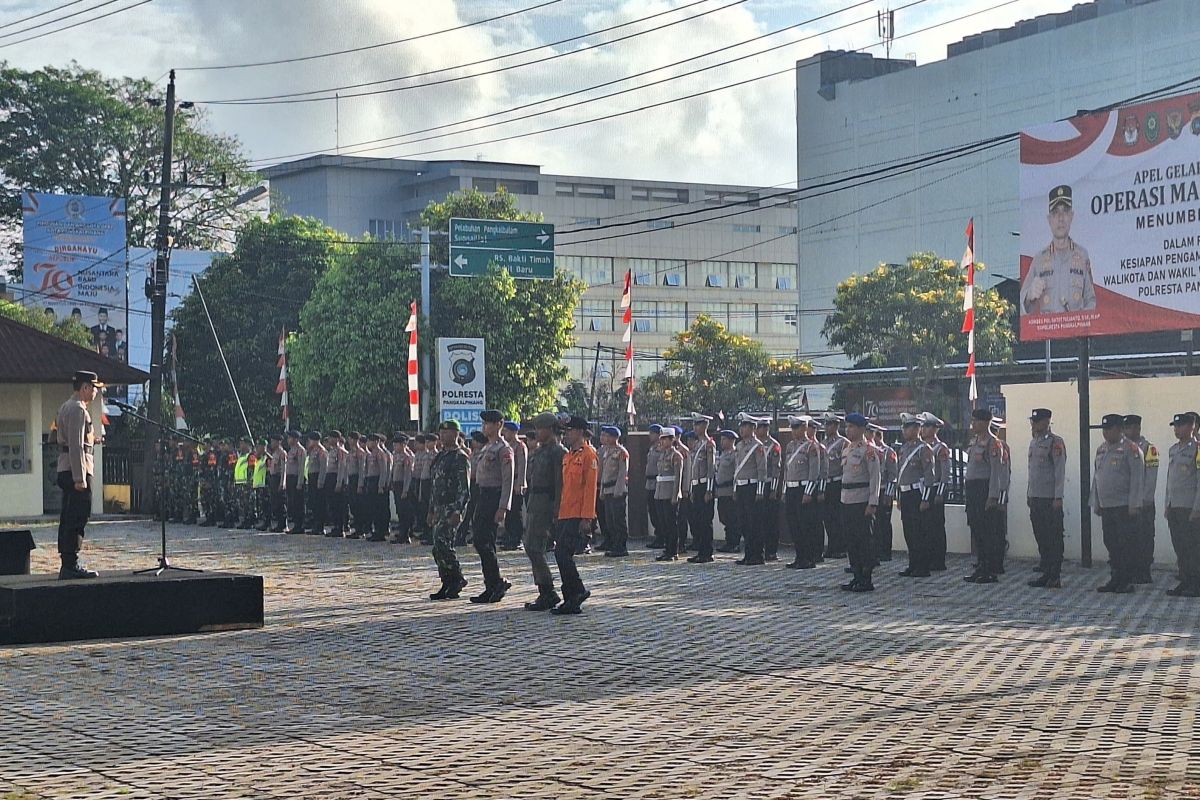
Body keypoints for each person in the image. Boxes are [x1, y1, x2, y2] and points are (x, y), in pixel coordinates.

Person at [54, 370, 102, 579]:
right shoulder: (77, 409)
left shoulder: (66, 406)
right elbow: (75, 446)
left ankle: (67, 562)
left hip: (68, 467)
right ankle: (70, 564)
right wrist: (79, 478)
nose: (95, 393)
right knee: (78, 515)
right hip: (76, 469)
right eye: (93, 388)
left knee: (69, 514)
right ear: (84, 387)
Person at [1021, 184, 1097, 315]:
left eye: (1065, 211)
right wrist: (1028, 296)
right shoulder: (1039, 259)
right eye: (1056, 213)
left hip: (1076, 333)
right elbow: (1022, 309)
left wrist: (1080, 324)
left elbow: (1091, 301)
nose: (1061, 218)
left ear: (1072, 216)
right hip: (1047, 333)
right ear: (1049, 219)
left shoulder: (1082, 255)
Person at [1092, 413, 1145, 593]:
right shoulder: (1101, 449)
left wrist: (1135, 504)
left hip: (1124, 506)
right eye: (1104, 429)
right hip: (1107, 506)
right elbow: (1097, 478)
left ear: (1120, 429)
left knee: (1125, 544)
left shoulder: (1131, 449)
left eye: (1110, 429)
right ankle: (1115, 578)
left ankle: (1126, 580)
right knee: (1111, 543)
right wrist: (1096, 501)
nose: (1106, 433)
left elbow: (1138, 479)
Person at [552, 415, 599, 615]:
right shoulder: (569, 455)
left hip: (578, 514)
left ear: (580, 432)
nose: (566, 435)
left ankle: (576, 591)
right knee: (561, 554)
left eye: (569, 431)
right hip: (566, 512)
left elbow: (590, 489)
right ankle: (572, 597)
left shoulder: (588, 455)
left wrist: (587, 518)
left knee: (562, 553)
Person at [523, 413, 567, 610]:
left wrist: (557, 507)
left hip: (547, 503)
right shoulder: (539, 452)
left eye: (540, 428)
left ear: (550, 429)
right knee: (531, 546)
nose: (537, 432)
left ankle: (548, 591)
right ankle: (544, 589)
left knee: (535, 547)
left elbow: (560, 483)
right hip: (535, 501)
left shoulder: (558, 452)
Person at [470, 409, 515, 603]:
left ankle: (496, 583)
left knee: (484, 540)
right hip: (482, 495)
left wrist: (503, 507)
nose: (485, 426)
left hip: (494, 497)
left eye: (489, 423)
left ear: (499, 424)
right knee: (480, 540)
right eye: (484, 423)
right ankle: (492, 584)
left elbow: (508, 480)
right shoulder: (487, 447)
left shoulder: (504, 449)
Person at [427, 420, 471, 600]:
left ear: (456, 434)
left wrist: (458, 511)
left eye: (447, 432)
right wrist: (430, 510)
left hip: (452, 506)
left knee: (443, 542)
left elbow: (464, 488)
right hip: (439, 506)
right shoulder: (440, 456)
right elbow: (434, 485)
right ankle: (447, 581)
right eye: (441, 432)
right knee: (437, 547)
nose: (443, 436)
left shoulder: (460, 457)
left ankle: (457, 578)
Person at [963, 408, 1006, 584]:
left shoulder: (993, 443)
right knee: (976, 529)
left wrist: (993, 496)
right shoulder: (975, 442)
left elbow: (997, 471)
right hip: (973, 490)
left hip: (984, 489)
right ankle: (981, 566)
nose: (972, 424)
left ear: (985, 422)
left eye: (975, 421)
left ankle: (989, 569)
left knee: (987, 532)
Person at [839, 413, 881, 592]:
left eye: (852, 427)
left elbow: (875, 477)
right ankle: (856, 575)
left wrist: (873, 502)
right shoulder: (847, 449)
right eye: (847, 427)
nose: (848, 430)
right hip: (847, 499)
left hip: (861, 500)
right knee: (851, 540)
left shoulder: (869, 450)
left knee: (864, 541)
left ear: (862, 429)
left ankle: (866, 578)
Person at [1027, 408, 1067, 588]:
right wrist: (1029, 493)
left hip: (1050, 498)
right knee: (1040, 536)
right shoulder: (1034, 443)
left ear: (1046, 422)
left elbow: (1059, 471)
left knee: (1053, 537)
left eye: (1036, 421)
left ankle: (1054, 574)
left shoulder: (1055, 443)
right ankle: (1046, 571)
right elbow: (1033, 472)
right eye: (1032, 421)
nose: (1033, 425)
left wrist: (1058, 497)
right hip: (1036, 496)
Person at [1164, 412, 1200, 597]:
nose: (1177, 429)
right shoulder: (1173, 449)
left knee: (1193, 547)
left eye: (1181, 425)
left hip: (1190, 507)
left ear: (1192, 426)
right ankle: (1185, 580)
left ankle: (1196, 583)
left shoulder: (1197, 449)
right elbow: (1170, 480)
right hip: (1175, 506)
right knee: (1180, 546)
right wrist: (1166, 504)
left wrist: (1197, 507)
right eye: (1175, 426)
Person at [895, 414, 935, 577]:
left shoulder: (924, 449)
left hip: (917, 494)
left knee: (920, 532)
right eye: (904, 427)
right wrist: (898, 496)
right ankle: (913, 564)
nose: (905, 431)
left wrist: (926, 498)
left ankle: (922, 566)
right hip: (905, 493)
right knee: (909, 531)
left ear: (916, 429)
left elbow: (929, 476)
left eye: (908, 427)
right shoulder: (904, 448)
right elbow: (900, 474)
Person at [783, 415, 823, 570]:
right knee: (794, 525)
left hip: (804, 489)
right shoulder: (790, 446)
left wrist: (808, 493)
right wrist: (785, 490)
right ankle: (799, 556)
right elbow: (787, 470)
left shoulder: (811, 447)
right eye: (792, 427)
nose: (793, 431)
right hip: (792, 488)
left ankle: (808, 557)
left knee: (806, 525)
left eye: (796, 427)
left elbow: (814, 472)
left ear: (804, 428)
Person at [1124, 414, 1159, 583]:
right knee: (1128, 538)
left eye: (1134, 427)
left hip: (1143, 503)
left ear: (1139, 428)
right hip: (1126, 503)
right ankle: (1129, 569)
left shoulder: (1149, 448)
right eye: (1128, 427)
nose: (1131, 430)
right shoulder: (1121, 447)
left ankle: (1144, 571)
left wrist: (1145, 500)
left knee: (1144, 538)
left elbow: (1151, 477)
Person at [733, 413, 768, 566]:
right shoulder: (739, 446)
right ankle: (748, 554)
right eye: (741, 426)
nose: (742, 429)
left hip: (752, 486)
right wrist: (735, 488)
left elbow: (762, 470)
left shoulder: (758, 446)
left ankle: (757, 554)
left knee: (755, 522)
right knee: (744, 522)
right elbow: (736, 469)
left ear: (753, 428)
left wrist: (760, 491)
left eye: (745, 426)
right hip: (741, 486)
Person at [918, 413, 951, 570]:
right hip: (923, 489)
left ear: (934, 428)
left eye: (925, 426)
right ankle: (927, 557)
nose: (922, 430)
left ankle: (938, 560)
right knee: (924, 527)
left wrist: (940, 493)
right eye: (922, 426)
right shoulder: (922, 447)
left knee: (936, 526)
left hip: (936, 489)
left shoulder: (940, 448)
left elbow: (945, 473)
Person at [684, 415, 715, 563]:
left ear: (705, 426)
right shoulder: (697, 445)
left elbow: (710, 468)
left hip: (704, 486)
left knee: (705, 520)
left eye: (698, 425)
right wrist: (691, 488)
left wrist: (709, 490)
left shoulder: (709, 444)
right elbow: (693, 469)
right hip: (696, 485)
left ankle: (707, 552)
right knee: (697, 520)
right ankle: (700, 550)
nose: (695, 428)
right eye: (694, 425)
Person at [819, 412, 849, 559]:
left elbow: (845, 465)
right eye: (826, 424)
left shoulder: (844, 443)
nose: (826, 427)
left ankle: (840, 547)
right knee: (827, 518)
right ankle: (831, 546)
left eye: (829, 424)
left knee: (838, 517)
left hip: (838, 482)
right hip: (826, 483)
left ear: (836, 425)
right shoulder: (823, 444)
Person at [653, 426, 684, 561]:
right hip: (660, 493)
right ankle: (667, 549)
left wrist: (675, 494)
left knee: (671, 524)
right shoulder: (662, 455)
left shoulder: (676, 456)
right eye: (662, 439)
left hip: (670, 493)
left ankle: (673, 550)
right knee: (663, 523)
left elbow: (678, 477)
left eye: (665, 439)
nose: (663, 442)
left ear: (672, 440)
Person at [598, 425, 629, 557]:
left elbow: (623, 472)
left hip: (616, 489)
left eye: (608, 436)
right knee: (609, 520)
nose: (605, 438)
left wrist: (619, 490)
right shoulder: (607, 451)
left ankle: (621, 546)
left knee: (618, 520)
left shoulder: (621, 452)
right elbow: (604, 472)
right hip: (607, 489)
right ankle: (614, 544)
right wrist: (602, 491)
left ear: (614, 437)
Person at [756, 417, 784, 561]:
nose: (760, 430)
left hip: (769, 486)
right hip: (757, 486)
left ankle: (771, 551)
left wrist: (773, 489)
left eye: (762, 427)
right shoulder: (756, 445)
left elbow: (776, 469)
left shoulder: (774, 445)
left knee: (771, 521)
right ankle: (759, 549)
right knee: (759, 520)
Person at [872, 424, 899, 563]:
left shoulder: (888, 451)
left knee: (883, 523)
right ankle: (875, 551)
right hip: (873, 492)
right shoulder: (870, 450)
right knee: (873, 524)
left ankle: (885, 551)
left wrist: (889, 494)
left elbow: (892, 475)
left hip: (883, 491)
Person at [499, 421, 528, 550]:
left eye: (507, 431)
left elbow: (522, 466)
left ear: (514, 432)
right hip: (508, 481)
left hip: (516, 481)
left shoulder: (520, 446)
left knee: (516, 512)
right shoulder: (507, 446)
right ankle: (509, 536)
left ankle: (517, 538)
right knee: (509, 512)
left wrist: (520, 483)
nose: (505, 434)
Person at [713, 430, 739, 554]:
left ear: (731, 440)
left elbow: (736, 474)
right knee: (724, 517)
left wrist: (735, 490)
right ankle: (729, 542)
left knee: (732, 519)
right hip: (721, 491)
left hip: (729, 491)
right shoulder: (722, 454)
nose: (721, 442)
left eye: (724, 439)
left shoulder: (735, 455)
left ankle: (734, 543)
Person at [390, 433, 415, 543]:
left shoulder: (407, 457)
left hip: (403, 486)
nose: (395, 447)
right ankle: (401, 532)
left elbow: (408, 475)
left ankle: (405, 534)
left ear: (403, 445)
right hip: (396, 485)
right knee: (399, 510)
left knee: (405, 511)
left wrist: (405, 490)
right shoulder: (396, 456)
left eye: (397, 445)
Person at [644, 424, 663, 549]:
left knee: (659, 512)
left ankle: (662, 537)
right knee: (652, 511)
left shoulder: (661, 448)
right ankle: (658, 536)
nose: (650, 435)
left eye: (652, 433)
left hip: (658, 482)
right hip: (649, 483)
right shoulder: (651, 448)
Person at [284, 430, 306, 534]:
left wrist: (300, 482)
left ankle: (299, 525)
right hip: (290, 479)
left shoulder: (300, 450)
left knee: (298, 503)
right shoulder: (291, 450)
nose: (288, 440)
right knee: (292, 502)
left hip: (296, 478)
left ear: (295, 439)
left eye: (290, 438)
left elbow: (301, 467)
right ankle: (295, 525)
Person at [267, 434, 287, 532]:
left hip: (279, 478)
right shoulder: (274, 453)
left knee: (280, 503)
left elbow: (284, 469)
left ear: (278, 442)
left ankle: (283, 524)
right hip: (273, 478)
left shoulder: (282, 453)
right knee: (275, 502)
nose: (272, 443)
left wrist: (282, 483)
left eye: (273, 441)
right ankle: (279, 524)